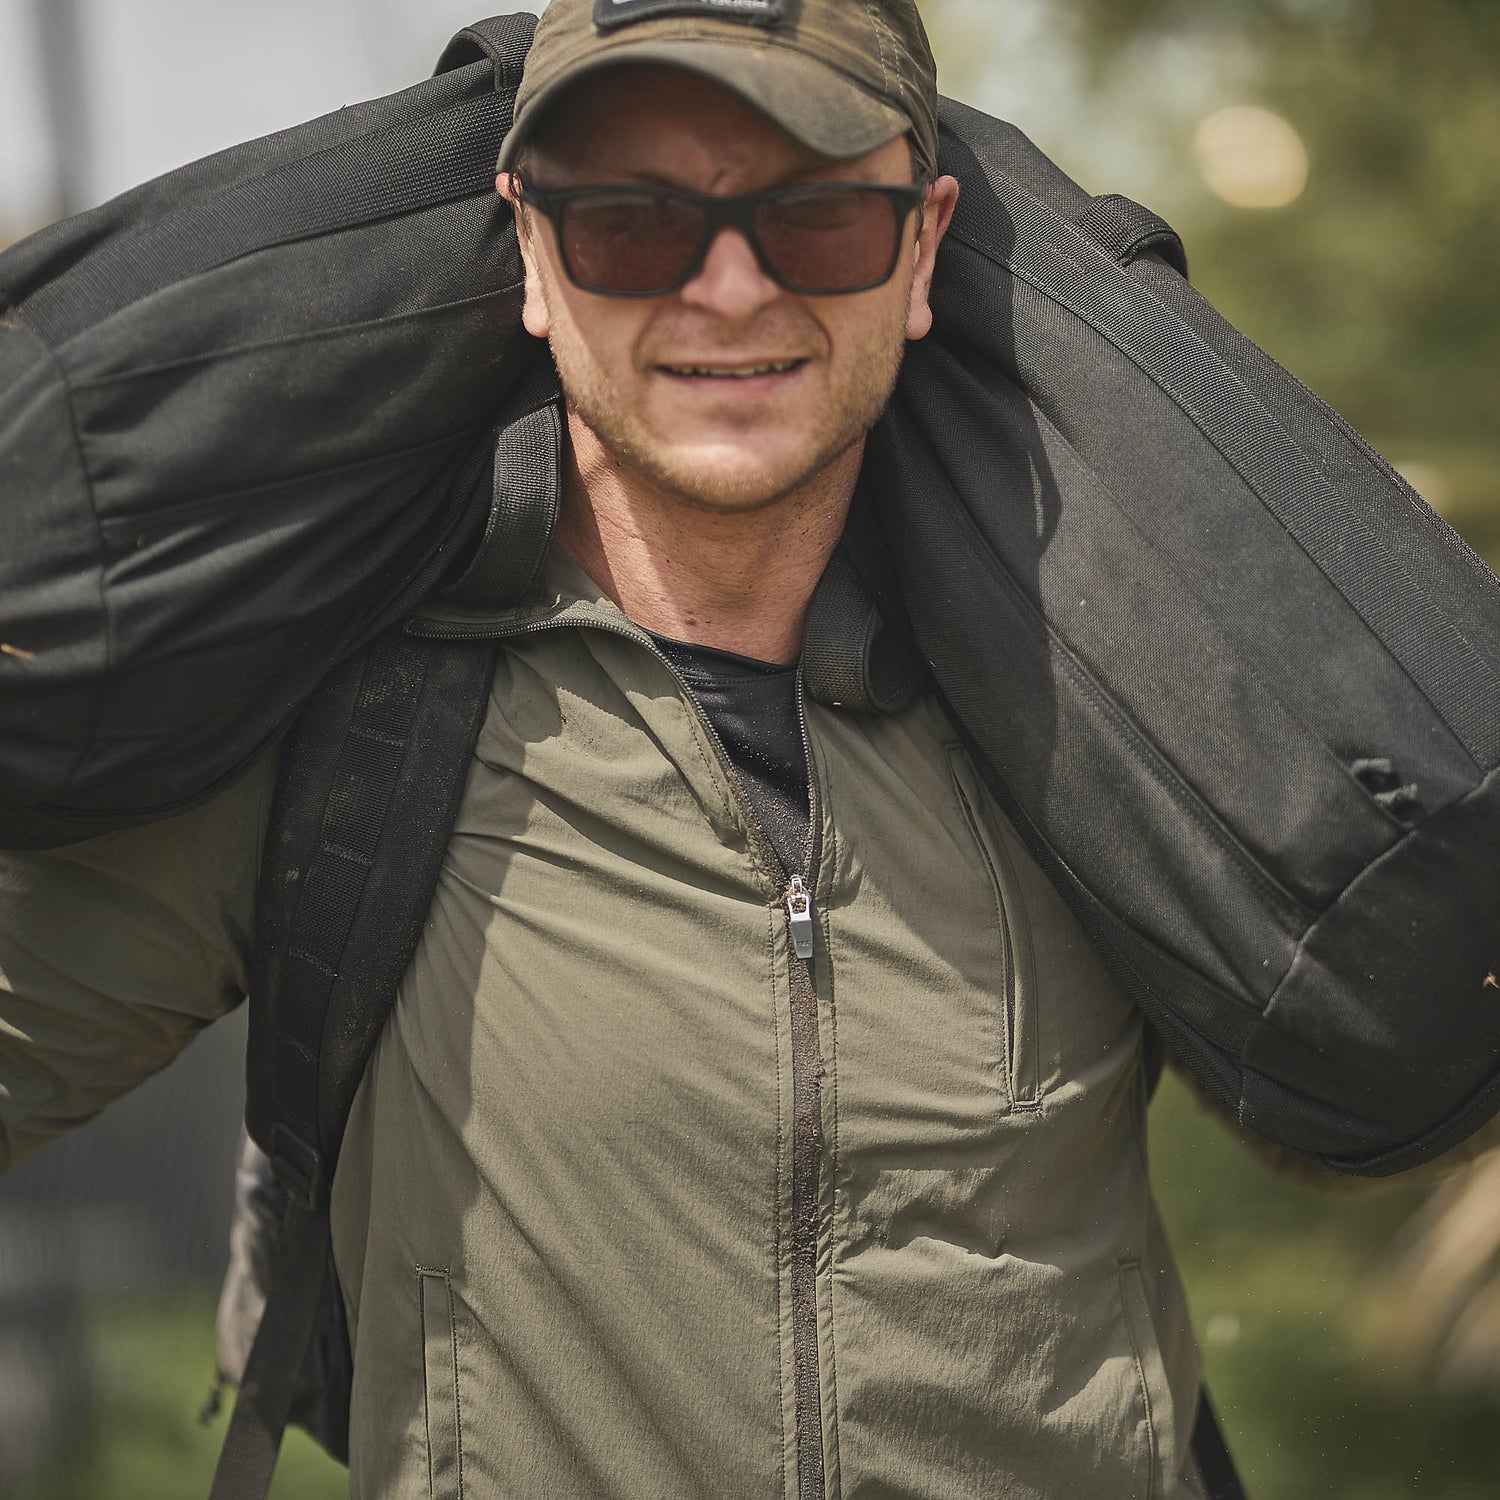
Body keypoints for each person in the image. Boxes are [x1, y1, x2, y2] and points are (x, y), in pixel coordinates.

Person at [0, 1, 1213, 1494]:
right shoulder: (344, 723)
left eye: (818, 213)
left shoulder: (1097, 707)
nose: (726, 287)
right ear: (527, 251)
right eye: (631, 221)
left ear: (919, 249)